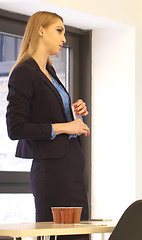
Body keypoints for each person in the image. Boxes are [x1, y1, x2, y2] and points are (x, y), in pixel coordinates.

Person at [6, 11, 90, 240]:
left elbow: (49, 114)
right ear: (41, 30)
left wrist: (74, 111)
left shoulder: (50, 72)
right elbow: (15, 128)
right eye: (59, 30)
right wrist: (65, 127)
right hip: (52, 171)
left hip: (71, 165)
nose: (64, 38)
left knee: (80, 235)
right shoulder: (24, 72)